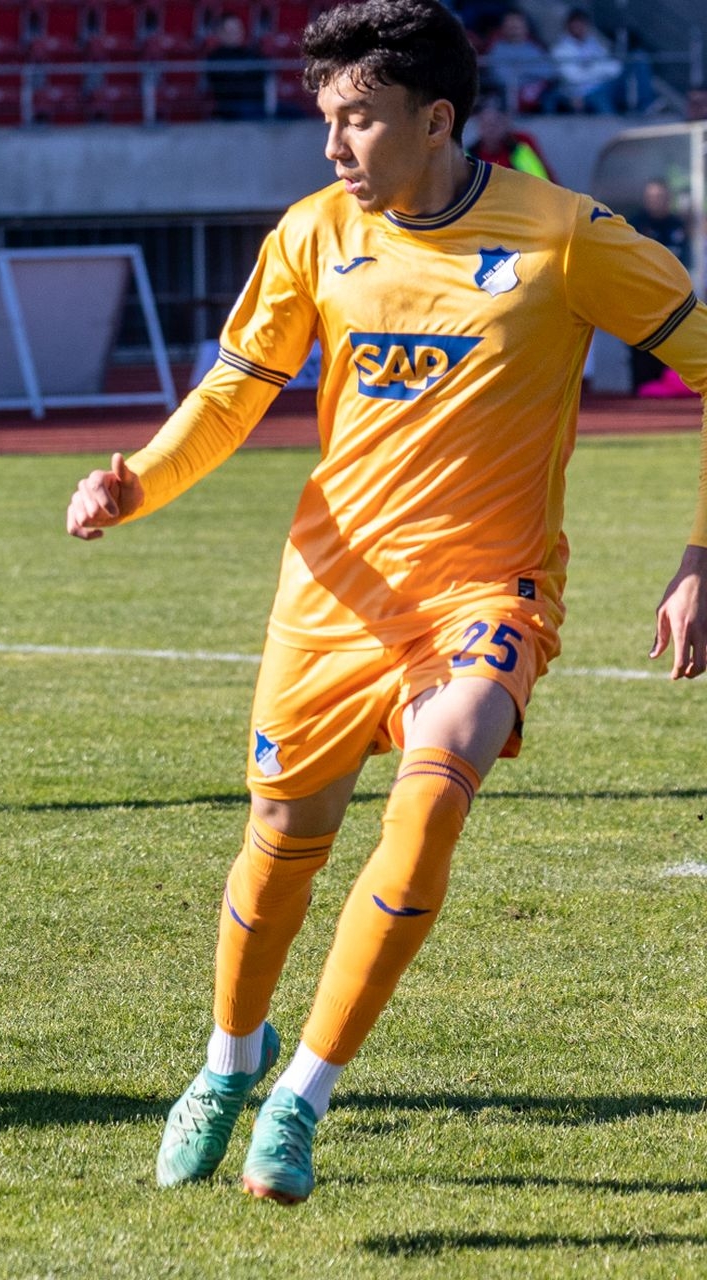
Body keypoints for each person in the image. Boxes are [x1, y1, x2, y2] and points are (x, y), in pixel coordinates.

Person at [66, 0, 707, 1205]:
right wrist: (135, 480)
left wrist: (701, 554)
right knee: (284, 850)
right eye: (327, 119)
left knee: (438, 782)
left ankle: (301, 1095)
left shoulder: (567, 237)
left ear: (437, 119)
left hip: (487, 587)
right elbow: (232, 393)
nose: (333, 147)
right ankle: (225, 1065)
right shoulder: (314, 235)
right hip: (334, 590)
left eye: (357, 119)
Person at [630, 178, 695, 398]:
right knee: (644, 357)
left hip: (674, 301)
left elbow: (688, 260)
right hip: (642, 302)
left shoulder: (677, 225)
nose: (657, 201)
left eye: (661, 197)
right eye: (653, 197)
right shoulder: (636, 225)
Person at [481, 9, 557, 113]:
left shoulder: (535, 48)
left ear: (525, 28)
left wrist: (521, 75)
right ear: (503, 28)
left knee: (551, 97)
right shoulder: (497, 49)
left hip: (534, 93)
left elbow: (548, 72)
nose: (513, 30)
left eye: (516, 27)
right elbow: (499, 75)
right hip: (506, 93)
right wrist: (526, 75)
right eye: (510, 26)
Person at [548, 8, 621, 113]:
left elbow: (614, 68)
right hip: (575, 92)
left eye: (581, 23)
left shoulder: (595, 44)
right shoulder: (559, 49)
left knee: (636, 62)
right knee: (600, 101)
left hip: (601, 86)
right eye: (575, 24)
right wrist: (598, 69)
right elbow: (573, 78)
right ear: (568, 25)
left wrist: (588, 69)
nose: (579, 27)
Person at [467, 95, 553, 182]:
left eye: (495, 124)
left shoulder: (521, 150)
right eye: (486, 125)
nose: (491, 130)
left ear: (506, 124)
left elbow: (541, 183)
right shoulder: (468, 154)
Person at [204, 14, 265, 122]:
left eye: (239, 29)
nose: (237, 34)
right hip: (232, 107)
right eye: (231, 30)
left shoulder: (252, 53)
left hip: (257, 103)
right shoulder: (215, 58)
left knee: (294, 112)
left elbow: (263, 74)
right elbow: (229, 86)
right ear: (220, 34)